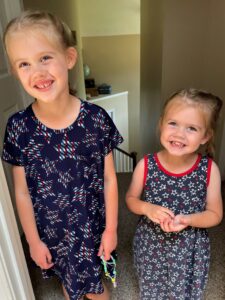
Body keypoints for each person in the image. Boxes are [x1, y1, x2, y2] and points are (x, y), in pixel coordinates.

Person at [2, 10, 123, 300]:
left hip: (92, 225)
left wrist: (112, 229)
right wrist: (32, 241)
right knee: (70, 284)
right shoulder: (19, 128)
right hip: (53, 232)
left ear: (69, 58)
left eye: (45, 57)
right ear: (16, 72)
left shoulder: (95, 120)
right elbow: (21, 193)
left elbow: (109, 179)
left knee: (95, 288)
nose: (37, 72)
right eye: (24, 64)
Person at [126, 88, 223, 299]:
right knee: (151, 289)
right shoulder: (146, 165)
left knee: (183, 291)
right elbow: (131, 200)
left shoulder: (209, 170)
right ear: (161, 123)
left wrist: (188, 219)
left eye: (191, 128)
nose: (179, 134)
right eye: (173, 123)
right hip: (151, 245)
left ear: (205, 136)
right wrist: (147, 207)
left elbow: (215, 214)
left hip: (188, 248)